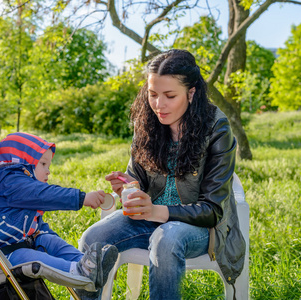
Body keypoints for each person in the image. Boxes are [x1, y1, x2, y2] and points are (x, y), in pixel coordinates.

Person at [79, 49, 246, 299]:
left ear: (191, 93)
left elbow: (213, 210)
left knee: (165, 240)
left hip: (199, 227)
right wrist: (128, 188)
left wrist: (157, 211)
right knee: (93, 237)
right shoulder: (147, 122)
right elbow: (138, 180)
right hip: (150, 219)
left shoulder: (217, 128)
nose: (159, 105)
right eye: (153, 94)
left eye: (169, 96)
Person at [0, 132, 118, 291]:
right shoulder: (10, 181)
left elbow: (37, 225)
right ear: (24, 162)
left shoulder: (22, 189)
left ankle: (93, 266)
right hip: (3, 255)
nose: (48, 171)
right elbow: (46, 194)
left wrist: (50, 238)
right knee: (30, 258)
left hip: (26, 242)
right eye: (43, 164)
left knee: (50, 240)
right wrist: (82, 198)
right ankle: (78, 271)